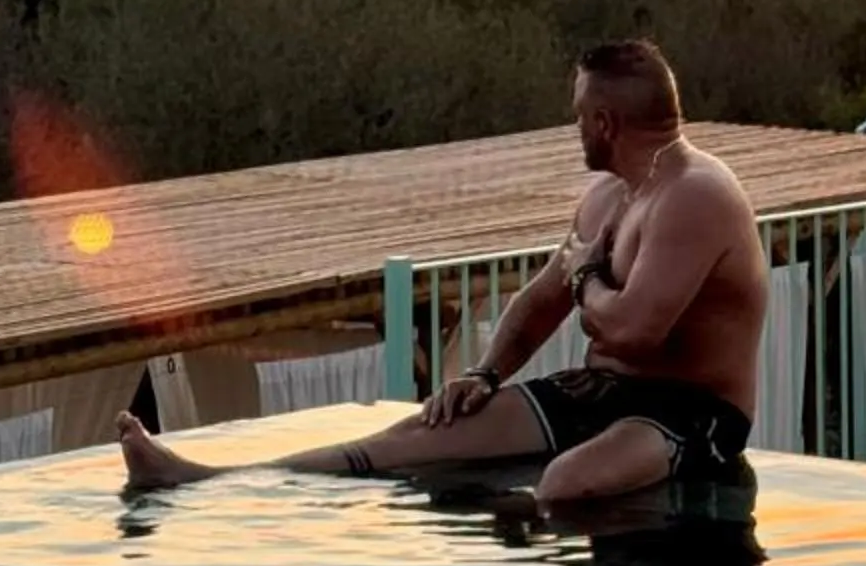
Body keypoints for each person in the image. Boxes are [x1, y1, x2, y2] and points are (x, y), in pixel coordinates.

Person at [116, 39, 767, 508]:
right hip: (601, 390)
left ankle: (540, 536)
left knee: (568, 483)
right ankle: (203, 478)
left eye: (578, 115)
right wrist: (484, 375)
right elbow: (542, 300)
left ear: (605, 122)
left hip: (692, 411)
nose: (575, 129)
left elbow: (635, 331)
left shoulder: (696, 196)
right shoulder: (608, 196)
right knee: (420, 434)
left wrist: (586, 278)